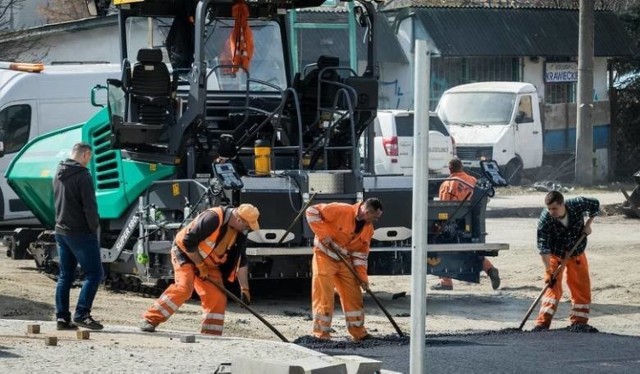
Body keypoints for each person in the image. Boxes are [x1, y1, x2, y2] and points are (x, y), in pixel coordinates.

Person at [139, 204, 259, 335]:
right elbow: (188, 242)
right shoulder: (212, 218)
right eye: (247, 225)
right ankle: (150, 319)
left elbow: (241, 261)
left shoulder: (239, 232)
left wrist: (245, 289)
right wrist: (200, 265)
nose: (247, 229)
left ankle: (211, 334)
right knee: (184, 289)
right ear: (239, 220)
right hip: (185, 253)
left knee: (217, 296)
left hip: (208, 262)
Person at [305, 198, 383, 341]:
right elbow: (311, 211)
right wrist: (323, 235)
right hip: (324, 256)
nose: (376, 220)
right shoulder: (341, 210)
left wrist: (362, 278)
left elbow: (360, 256)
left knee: (353, 295)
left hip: (344, 260)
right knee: (324, 296)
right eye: (375, 217)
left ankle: (359, 333)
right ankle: (321, 335)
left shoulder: (368, 229)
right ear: (366, 212)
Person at [532, 191, 599, 332]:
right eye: (549, 208)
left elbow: (595, 204)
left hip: (576, 252)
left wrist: (588, 224)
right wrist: (548, 271)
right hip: (556, 255)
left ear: (563, 204)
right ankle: (542, 324)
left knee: (581, 286)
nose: (551, 212)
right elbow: (543, 248)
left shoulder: (577, 204)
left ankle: (579, 323)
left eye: (554, 208)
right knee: (552, 288)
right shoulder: (546, 219)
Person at [53, 142, 104, 330]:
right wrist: (94, 228)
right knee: (95, 273)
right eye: (89, 157)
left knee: (65, 275)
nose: (89, 161)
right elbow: (89, 207)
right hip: (80, 232)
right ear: (85, 154)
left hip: (61, 230)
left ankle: (61, 318)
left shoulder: (58, 172)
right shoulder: (83, 175)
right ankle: (82, 314)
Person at [431, 158, 501, 291]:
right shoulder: (473, 181)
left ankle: (446, 282)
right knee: (473, 252)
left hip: (454, 225)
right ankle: (490, 269)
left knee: (438, 247)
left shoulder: (448, 184)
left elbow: (443, 208)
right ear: (461, 167)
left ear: (450, 169)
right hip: (472, 224)